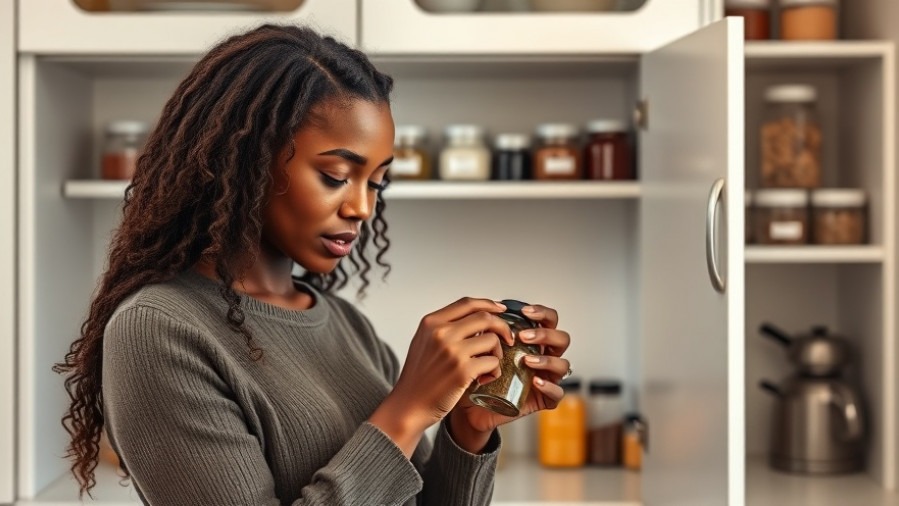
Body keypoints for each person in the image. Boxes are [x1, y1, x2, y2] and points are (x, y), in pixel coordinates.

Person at [54, 24, 572, 505]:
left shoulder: (344, 324)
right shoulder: (159, 331)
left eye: (376, 182)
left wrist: (466, 429)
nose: (362, 208)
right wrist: (408, 409)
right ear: (246, 159)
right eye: (335, 175)